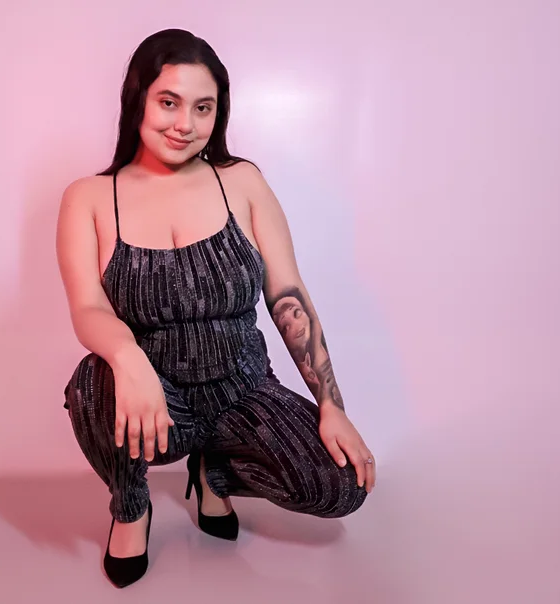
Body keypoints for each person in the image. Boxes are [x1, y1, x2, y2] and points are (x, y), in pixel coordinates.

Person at [55, 28, 376, 588]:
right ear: (138, 98)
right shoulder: (89, 198)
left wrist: (331, 404)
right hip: (158, 404)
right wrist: (129, 359)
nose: (185, 123)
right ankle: (131, 506)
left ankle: (214, 472)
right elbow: (87, 307)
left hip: (241, 389)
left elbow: (288, 297)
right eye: (169, 102)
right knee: (91, 384)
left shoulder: (241, 182)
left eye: (203, 108)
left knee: (342, 484)